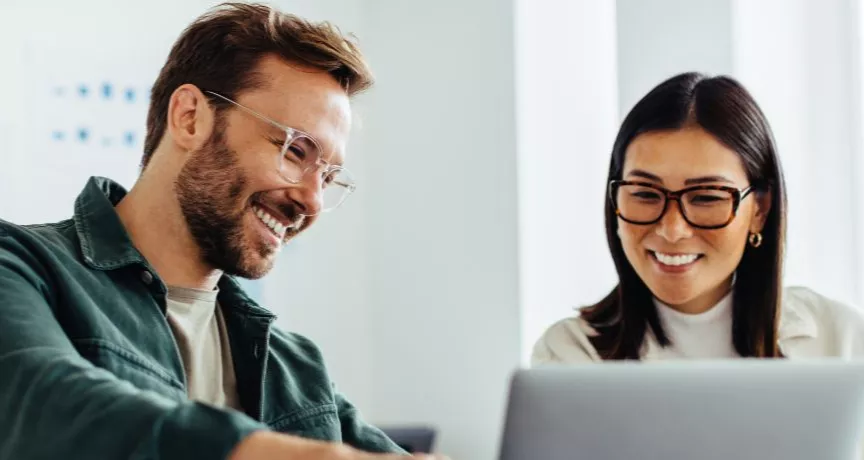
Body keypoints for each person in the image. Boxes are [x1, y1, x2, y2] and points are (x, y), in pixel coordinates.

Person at [0, 3, 444, 459]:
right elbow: (41, 402)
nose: (311, 201)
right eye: (295, 151)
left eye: (328, 178)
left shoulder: (296, 369)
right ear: (190, 117)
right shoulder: (20, 267)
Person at [532, 72, 864, 363]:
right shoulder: (571, 355)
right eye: (645, 194)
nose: (672, 229)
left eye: (706, 197)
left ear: (760, 210)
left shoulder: (841, 343)